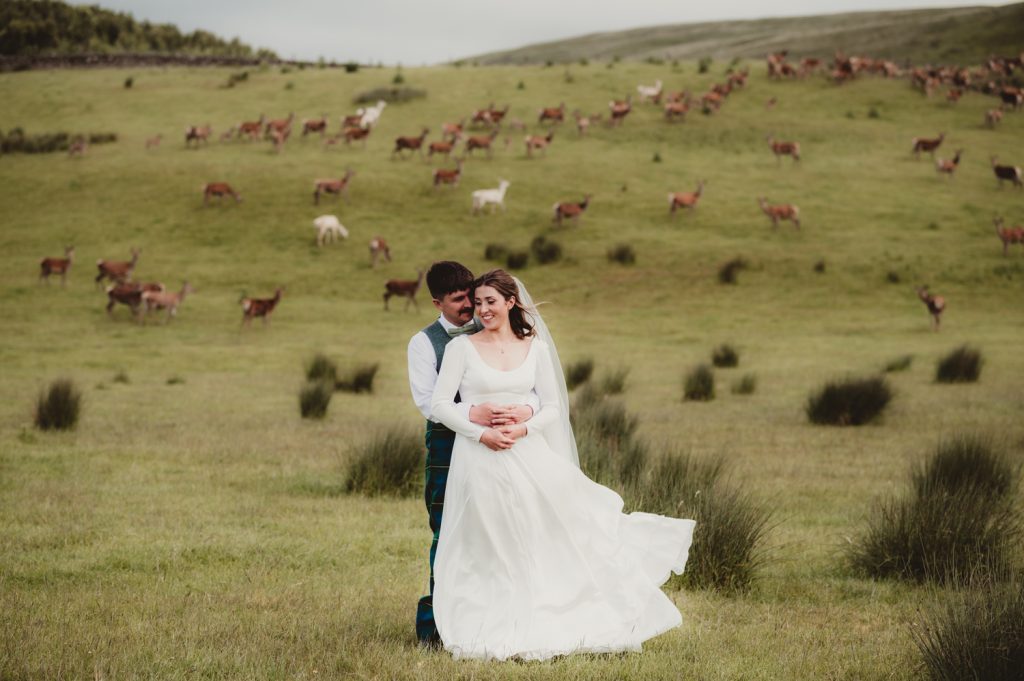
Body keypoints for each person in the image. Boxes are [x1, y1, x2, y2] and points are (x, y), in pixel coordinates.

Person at [429, 269, 696, 661]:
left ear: (510, 302)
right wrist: (480, 432)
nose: (482, 309)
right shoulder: (461, 349)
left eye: (490, 301)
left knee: (540, 534)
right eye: (478, 301)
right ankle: (488, 620)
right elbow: (439, 405)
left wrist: (522, 428)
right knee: (489, 538)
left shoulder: (533, 347)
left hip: (528, 454)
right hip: (479, 458)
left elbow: (553, 407)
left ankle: (546, 612)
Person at [408, 261, 538, 646]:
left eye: (473, 296)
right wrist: (474, 415)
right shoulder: (423, 342)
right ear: (438, 302)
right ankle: (435, 626)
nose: (471, 307)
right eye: (459, 299)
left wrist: (522, 414)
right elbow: (429, 403)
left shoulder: (491, 326)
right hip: (448, 444)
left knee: (498, 528)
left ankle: (493, 617)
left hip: (504, 443)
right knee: (446, 527)